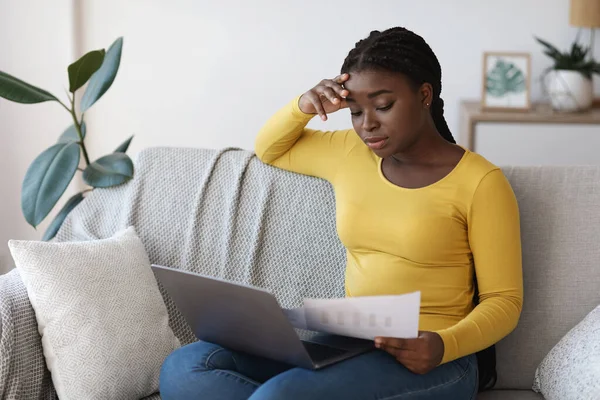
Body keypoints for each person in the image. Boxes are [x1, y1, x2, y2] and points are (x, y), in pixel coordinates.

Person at [159, 27, 523, 400]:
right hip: (348, 338)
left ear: (424, 95)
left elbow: (504, 301)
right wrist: (303, 104)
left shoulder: (481, 182)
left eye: (383, 106)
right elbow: (270, 149)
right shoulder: (350, 152)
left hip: (433, 359)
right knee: (186, 368)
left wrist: (443, 345)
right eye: (355, 111)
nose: (367, 124)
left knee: (281, 396)